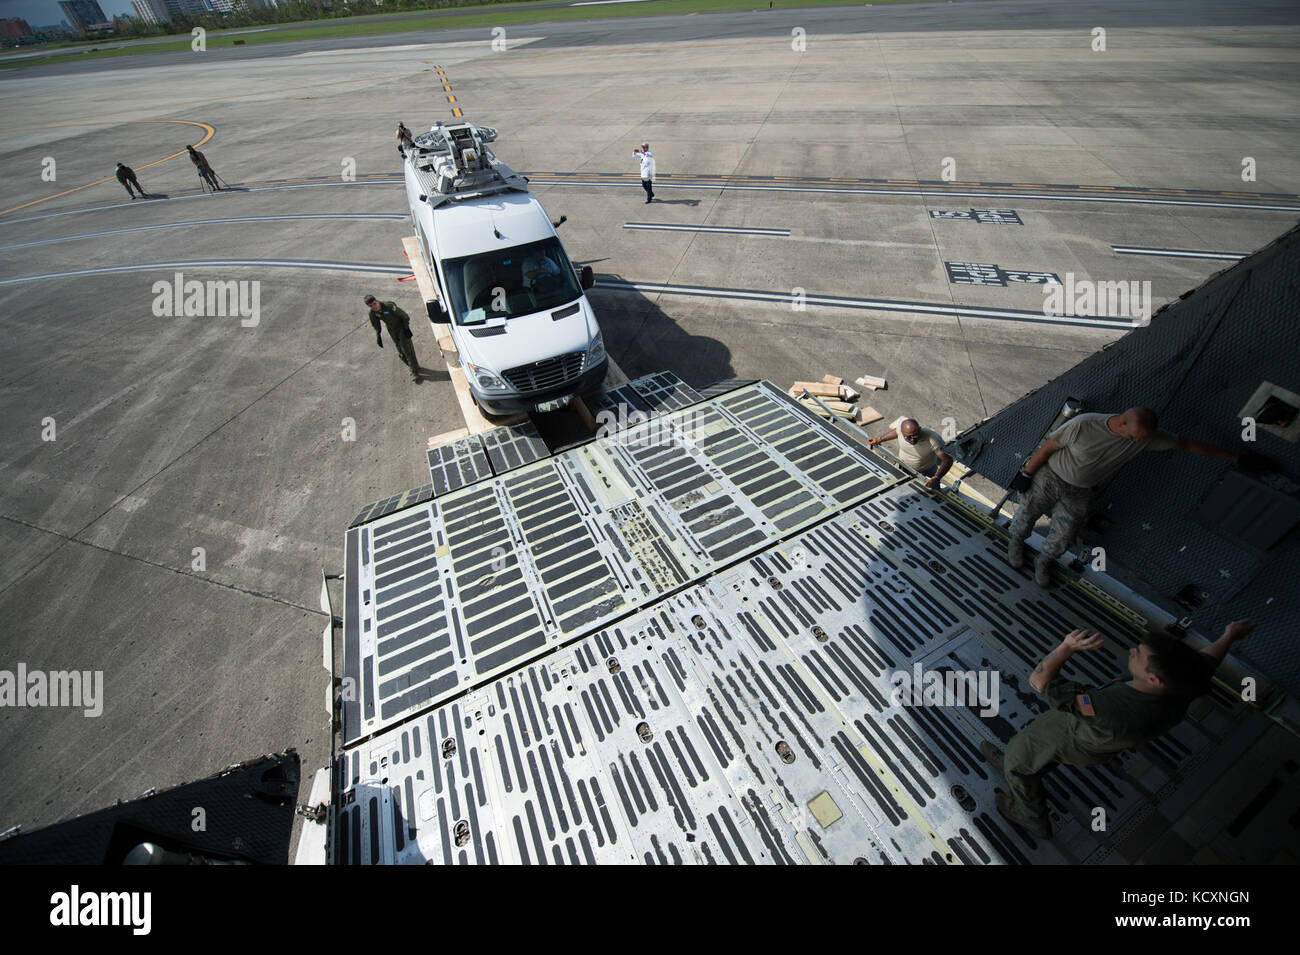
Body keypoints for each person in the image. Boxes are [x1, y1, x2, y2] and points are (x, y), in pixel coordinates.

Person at [982, 619, 1254, 839]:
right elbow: (1206, 661)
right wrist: (1228, 635)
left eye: (1139, 654)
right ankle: (1030, 766)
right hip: (1105, 741)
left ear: (1153, 679)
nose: (1132, 651)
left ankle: (1030, 817)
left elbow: (1039, 681)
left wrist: (1067, 647)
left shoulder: (1105, 708)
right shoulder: (1184, 682)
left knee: (1019, 760)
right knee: (1039, 756)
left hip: (1076, 736)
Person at [1007, 407, 1241, 586]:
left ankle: (1044, 560)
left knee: (1065, 533)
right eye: (1133, 437)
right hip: (1051, 476)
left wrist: (1235, 458)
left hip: (1082, 490)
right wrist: (1027, 474)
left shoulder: (1144, 437)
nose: (1138, 443)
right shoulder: (1084, 425)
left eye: (1142, 439)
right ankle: (1016, 543)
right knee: (1028, 513)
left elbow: (1187, 444)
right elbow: (1048, 448)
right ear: (1122, 423)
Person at [869, 417, 953, 489]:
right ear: (902, 433)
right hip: (902, 466)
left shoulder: (933, 439)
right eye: (908, 437)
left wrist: (937, 477)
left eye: (915, 435)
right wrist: (880, 439)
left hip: (926, 472)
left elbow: (947, 460)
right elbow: (896, 431)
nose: (912, 439)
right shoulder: (901, 431)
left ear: (919, 429)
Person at [365, 294, 420, 382]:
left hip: (401, 328)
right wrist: (378, 335)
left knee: (406, 349)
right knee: (400, 351)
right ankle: (414, 367)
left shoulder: (388, 306)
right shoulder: (373, 313)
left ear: (377, 301)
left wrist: (406, 328)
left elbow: (405, 316)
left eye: (374, 304)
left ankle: (414, 372)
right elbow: (376, 324)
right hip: (392, 331)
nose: (374, 307)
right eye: (371, 306)